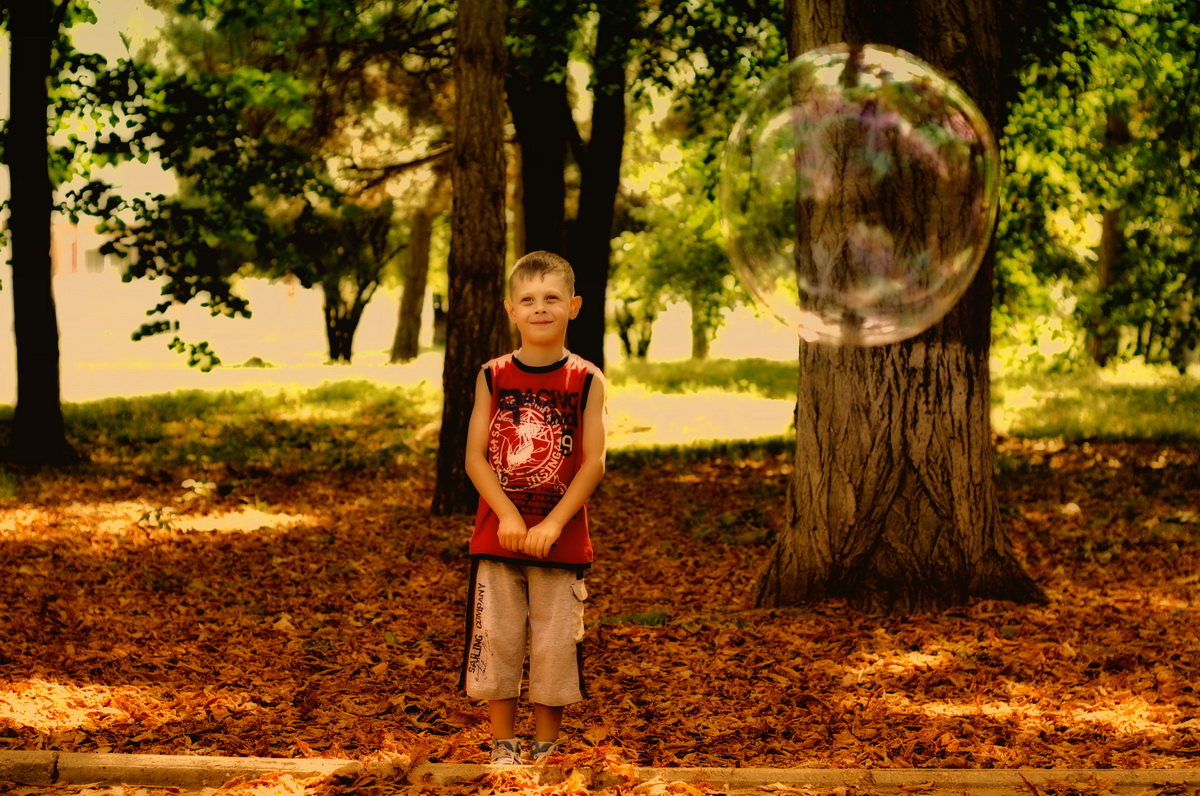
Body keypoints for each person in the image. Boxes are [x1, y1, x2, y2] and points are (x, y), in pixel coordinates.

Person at [460, 250, 607, 767]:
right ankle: (503, 744)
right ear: (510, 309)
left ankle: (546, 747)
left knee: (553, 644)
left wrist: (552, 522)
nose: (539, 307)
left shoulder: (587, 379)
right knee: (497, 639)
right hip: (498, 536)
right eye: (528, 299)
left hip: (560, 540)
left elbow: (593, 462)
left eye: (551, 298)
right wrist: (508, 515)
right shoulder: (492, 375)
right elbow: (475, 457)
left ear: (574, 306)